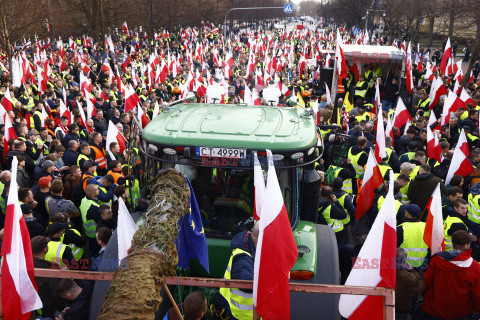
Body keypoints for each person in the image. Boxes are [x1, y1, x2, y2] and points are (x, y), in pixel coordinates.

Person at [419, 230, 480, 319]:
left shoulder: (437, 260)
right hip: (459, 312)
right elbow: (477, 293)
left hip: (436, 308)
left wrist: (426, 297)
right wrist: (476, 309)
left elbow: (427, 281)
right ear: (466, 245)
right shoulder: (474, 266)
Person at [218, 222, 259, 320]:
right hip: (243, 315)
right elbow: (246, 284)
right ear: (260, 240)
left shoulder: (248, 245)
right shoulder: (242, 259)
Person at [31, 236, 61, 318]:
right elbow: (57, 290)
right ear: (45, 249)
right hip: (49, 308)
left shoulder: (27, 265)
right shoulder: (52, 266)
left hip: (33, 306)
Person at [395, 248, 425, 320]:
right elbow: (421, 286)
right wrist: (412, 270)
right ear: (405, 259)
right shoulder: (408, 277)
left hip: (389, 304)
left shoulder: (387, 270)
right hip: (401, 308)